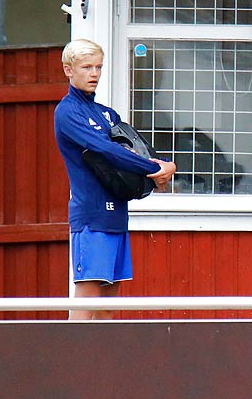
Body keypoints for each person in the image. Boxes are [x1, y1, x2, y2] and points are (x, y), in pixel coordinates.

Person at [53, 39, 176, 320]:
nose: (94, 73)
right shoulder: (68, 112)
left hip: (117, 216)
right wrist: (153, 169)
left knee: (108, 306)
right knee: (87, 302)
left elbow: (133, 149)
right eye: (86, 67)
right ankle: (75, 362)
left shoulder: (107, 114)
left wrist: (160, 168)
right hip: (91, 217)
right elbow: (105, 150)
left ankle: (101, 364)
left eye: (98, 67)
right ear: (68, 70)